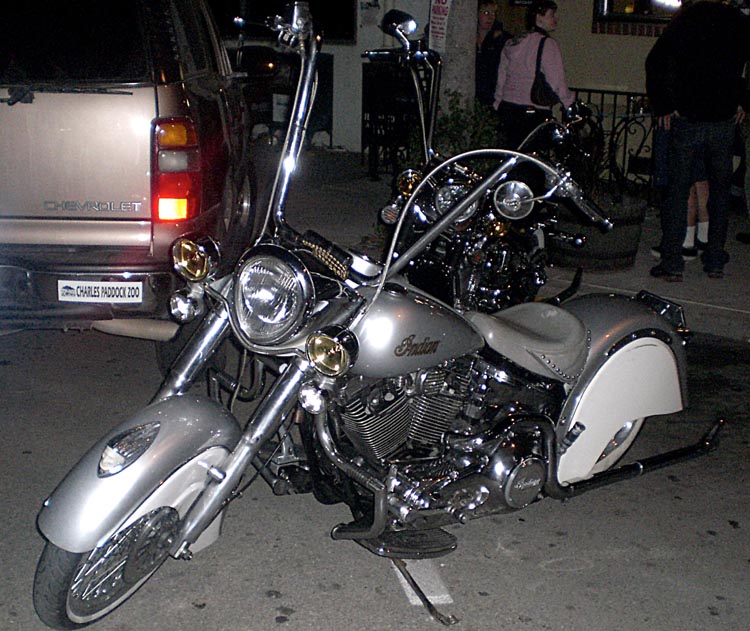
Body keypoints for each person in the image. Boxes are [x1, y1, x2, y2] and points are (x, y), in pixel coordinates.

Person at [645, 0, 750, 281]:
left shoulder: (686, 19)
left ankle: (673, 261)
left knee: (678, 191)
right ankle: (714, 258)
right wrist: (743, 100)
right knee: (719, 192)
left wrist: (665, 104)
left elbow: (656, 62)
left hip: (689, 116)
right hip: (723, 118)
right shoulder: (737, 21)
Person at [492, 0, 575, 149]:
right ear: (538, 17)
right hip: (533, 111)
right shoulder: (547, 44)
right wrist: (569, 103)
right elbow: (556, 80)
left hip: (508, 108)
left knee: (511, 153)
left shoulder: (512, 42)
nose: (555, 19)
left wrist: (498, 103)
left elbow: (502, 76)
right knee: (534, 156)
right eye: (551, 15)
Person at [476, 1, 510, 108]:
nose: (490, 18)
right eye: (486, 13)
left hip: (493, 94)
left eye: (493, 13)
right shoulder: (469, 38)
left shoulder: (502, 39)